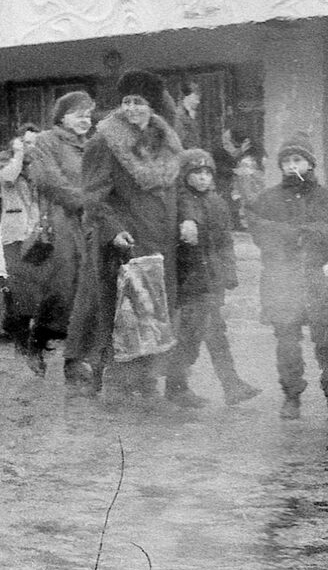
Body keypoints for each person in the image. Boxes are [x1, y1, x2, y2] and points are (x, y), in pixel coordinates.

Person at [63, 71, 183, 399]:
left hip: (162, 241)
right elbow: (93, 196)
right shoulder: (105, 141)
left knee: (155, 311)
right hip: (124, 241)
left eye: (139, 102)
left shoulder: (166, 140)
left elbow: (175, 191)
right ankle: (108, 381)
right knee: (119, 312)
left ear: (153, 107)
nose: (131, 108)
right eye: (126, 102)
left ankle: (145, 378)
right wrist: (113, 231)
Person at [168, 148, 259, 408]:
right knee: (191, 334)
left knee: (214, 332)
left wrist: (229, 272)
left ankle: (229, 385)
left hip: (213, 279)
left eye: (207, 172)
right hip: (191, 281)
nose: (202, 178)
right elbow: (184, 223)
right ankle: (179, 386)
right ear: (184, 176)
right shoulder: (180, 201)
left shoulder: (217, 203)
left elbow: (225, 241)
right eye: (196, 173)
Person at [246, 137, 328, 421]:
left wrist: (311, 232)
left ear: (310, 163)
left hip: (316, 277)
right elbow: (255, 224)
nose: (292, 165)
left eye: (298, 160)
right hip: (281, 278)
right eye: (287, 161)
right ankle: (291, 395)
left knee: (325, 338)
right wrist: (284, 234)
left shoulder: (323, 197)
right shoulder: (269, 198)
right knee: (287, 340)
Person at [16, 91, 94, 379]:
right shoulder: (47, 141)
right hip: (61, 221)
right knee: (62, 289)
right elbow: (48, 180)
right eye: (78, 114)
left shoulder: (90, 145)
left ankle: (74, 360)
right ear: (62, 116)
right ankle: (38, 340)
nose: (85, 120)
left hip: (90, 223)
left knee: (87, 291)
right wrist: (85, 199)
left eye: (88, 115)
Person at [0, 124, 41, 345]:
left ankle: (34, 327)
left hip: (36, 230)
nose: (32, 147)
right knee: (19, 279)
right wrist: (18, 154)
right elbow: (8, 178)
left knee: (35, 280)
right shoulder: (5, 159)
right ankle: (20, 330)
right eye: (27, 142)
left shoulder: (38, 164)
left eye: (35, 143)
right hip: (14, 230)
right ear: (18, 141)